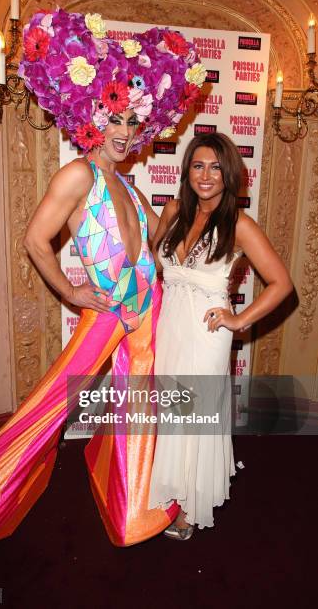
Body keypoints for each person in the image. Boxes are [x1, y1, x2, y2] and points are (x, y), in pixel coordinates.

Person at [0, 10, 206, 546]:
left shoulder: (130, 188)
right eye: (116, 118)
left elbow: (162, 242)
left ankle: (136, 511)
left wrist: (198, 200)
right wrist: (68, 290)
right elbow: (34, 240)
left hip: (145, 311)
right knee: (56, 401)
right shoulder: (78, 175)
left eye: (134, 123)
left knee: (141, 407)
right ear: (94, 116)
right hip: (106, 310)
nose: (125, 132)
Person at [148, 132, 293, 540]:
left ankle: (191, 508)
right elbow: (150, 259)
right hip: (171, 327)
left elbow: (281, 283)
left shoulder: (239, 224)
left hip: (206, 335)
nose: (206, 175)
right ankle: (172, 487)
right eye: (198, 165)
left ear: (229, 173)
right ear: (187, 171)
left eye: (215, 167)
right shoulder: (174, 210)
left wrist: (239, 318)